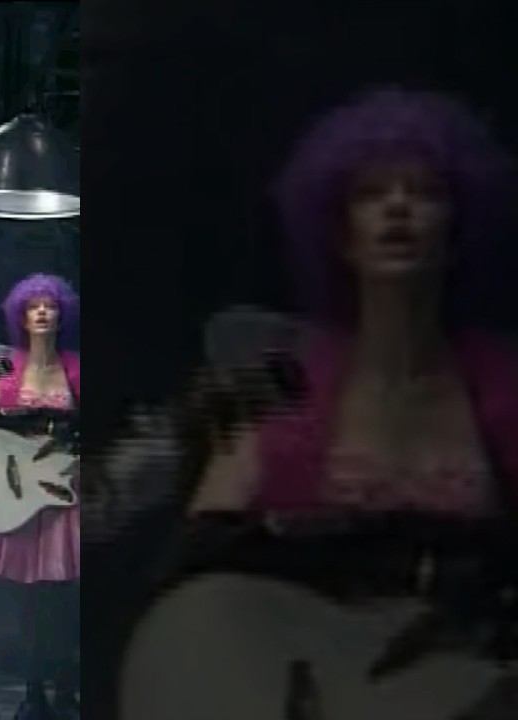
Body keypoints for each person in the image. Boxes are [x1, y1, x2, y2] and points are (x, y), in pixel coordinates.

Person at [120, 88, 518, 719]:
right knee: (196, 621)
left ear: (458, 227)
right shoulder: (279, 378)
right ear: (338, 232)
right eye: (371, 194)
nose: (397, 208)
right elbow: (202, 544)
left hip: (454, 659)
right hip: (293, 642)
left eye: (424, 192)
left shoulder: (502, 384)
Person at [0, 273, 81, 719]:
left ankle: (66, 689)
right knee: (29, 603)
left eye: (50, 305)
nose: (43, 312)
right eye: (34, 306)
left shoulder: (77, 368)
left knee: (67, 601)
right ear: (21, 317)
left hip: (67, 497)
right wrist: (16, 419)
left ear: (62, 315)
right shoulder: (4, 369)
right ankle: (33, 693)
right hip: (22, 500)